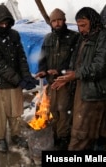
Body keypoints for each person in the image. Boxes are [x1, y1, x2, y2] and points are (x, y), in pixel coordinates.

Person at [51, 7, 106, 151]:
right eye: (78, 26)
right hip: (83, 91)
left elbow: (101, 67)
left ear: (93, 21)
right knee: (87, 135)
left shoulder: (105, 38)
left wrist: (75, 75)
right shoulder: (84, 37)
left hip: (95, 93)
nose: (80, 29)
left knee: (80, 137)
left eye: (83, 25)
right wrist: (67, 77)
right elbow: (77, 63)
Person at [0, 5, 38, 153]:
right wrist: (18, 80)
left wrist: (26, 76)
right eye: (1, 23)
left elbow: (21, 57)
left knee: (16, 111)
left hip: (15, 81)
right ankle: (1, 138)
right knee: (2, 114)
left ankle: (15, 135)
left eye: (6, 23)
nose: (4, 26)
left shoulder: (14, 34)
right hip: (2, 82)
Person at [35, 8, 79, 150]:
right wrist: (42, 71)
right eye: (54, 21)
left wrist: (60, 71)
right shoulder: (48, 38)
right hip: (51, 82)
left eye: (59, 20)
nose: (57, 23)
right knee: (52, 110)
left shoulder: (74, 37)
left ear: (64, 21)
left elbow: (75, 60)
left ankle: (63, 139)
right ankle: (55, 136)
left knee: (64, 111)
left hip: (66, 82)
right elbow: (42, 57)